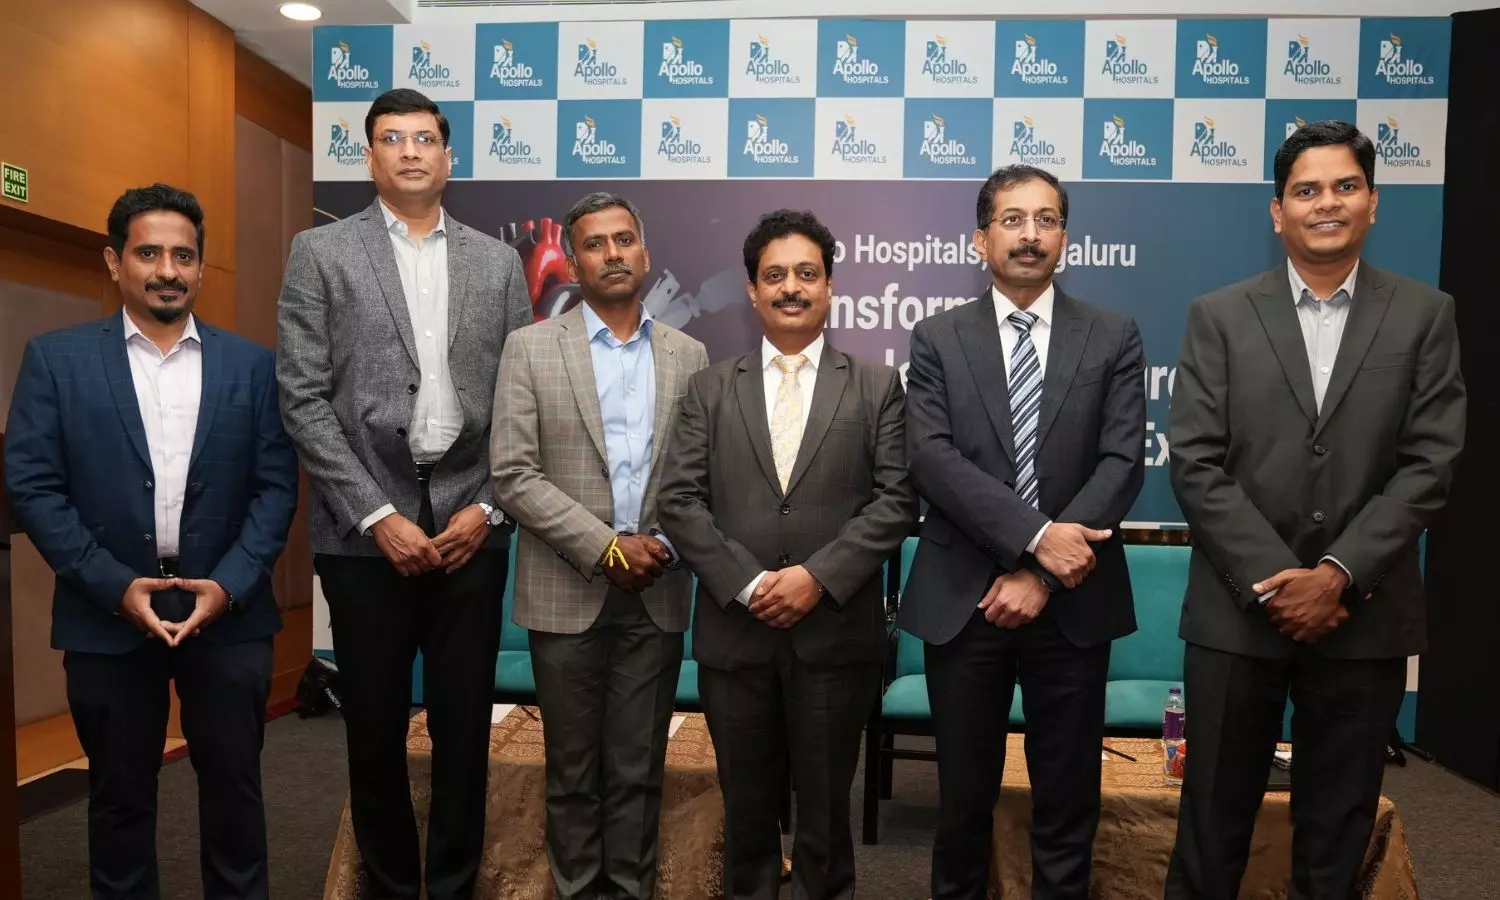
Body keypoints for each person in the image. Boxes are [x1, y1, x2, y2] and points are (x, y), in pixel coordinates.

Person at [1164, 121, 1465, 900]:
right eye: (1306, 190)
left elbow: (1431, 462)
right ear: (1278, 211)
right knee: (1209, 833)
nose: (1326, 203)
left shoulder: (1425, 314)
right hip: (1237, 616)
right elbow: (1194, 461)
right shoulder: (1219, 315)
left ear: (1372, 201)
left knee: (1335, 840)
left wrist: (1337, 575)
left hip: (1362, 616)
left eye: (1344, 186)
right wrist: (1277, 578)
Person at [4, 183, 299, 900]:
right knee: (119, 801)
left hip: (228, 617)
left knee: (235, 797)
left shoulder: (253, 366)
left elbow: (276, 488)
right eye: (148, 254)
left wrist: (229, 586)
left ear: (199, 266)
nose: (167, 270)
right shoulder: (56, 360)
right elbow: (33, 485)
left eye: (183, 256)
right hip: (106, 617)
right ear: (115, 262)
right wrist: (113, 585)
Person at [275, 88, 532, 900]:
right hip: (362, 535)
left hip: (472, 525)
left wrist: (487, 507)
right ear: (370, 156)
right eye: (393, 138)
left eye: (425, 138)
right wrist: (377, 514)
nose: (411, 151)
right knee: (374, 730)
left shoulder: (498, 262)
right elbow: (301, 398)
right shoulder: (320, 252)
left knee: (464, 730)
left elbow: (522, 404)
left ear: (449, 158)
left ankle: (453, 886)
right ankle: (387, 887)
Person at [900, 164, 1147, 900]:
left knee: (1068, 803)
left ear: (1065, 238)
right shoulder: (937, 337)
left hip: (1073, 601)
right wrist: (1038, 540)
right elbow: (931, 459)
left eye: (1046, 220)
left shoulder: (1113, 335)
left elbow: (1121, 463)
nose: (1030, 235)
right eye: (1012, 220)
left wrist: (1042, 573)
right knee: (962, 804)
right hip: (964, 600)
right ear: (981, 240)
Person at [659, 209, 918, 900]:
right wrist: (749, 583)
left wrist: (816, 578)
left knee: (827, 821)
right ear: (752, 291)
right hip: (735, 635)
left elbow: (897, 501)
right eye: (775, 276)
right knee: (746, 816)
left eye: (807, 273)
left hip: (834, 636)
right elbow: (678, 501)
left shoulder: (876, 385)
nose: (791, 288)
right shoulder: (709, 388)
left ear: (830, 286)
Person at [489, 192, 708, 900]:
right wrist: (608, 548)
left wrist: (661, 544)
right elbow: (513, 474)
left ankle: (632, 890)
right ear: (574, 262)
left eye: (623, 240)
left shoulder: (689, 354)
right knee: (573, 772)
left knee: (640, 770)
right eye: (594, 244)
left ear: (645, 253)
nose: (612, 254)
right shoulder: (530, 347)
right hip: (565, 590)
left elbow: (700, 474)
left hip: (658, 587)